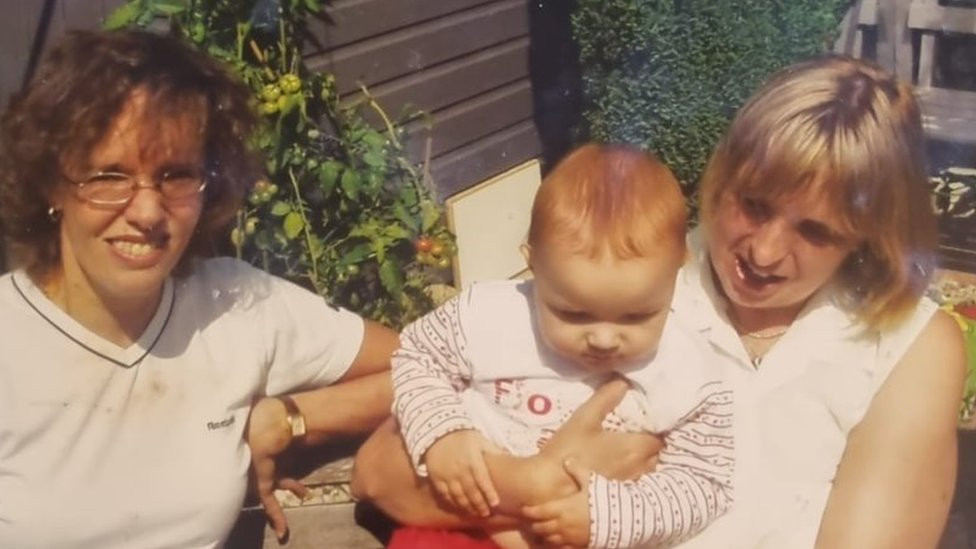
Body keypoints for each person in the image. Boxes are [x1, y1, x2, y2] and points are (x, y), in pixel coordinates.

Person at [352, 55, 966, 549]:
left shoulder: (903, 342)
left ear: (866, 232)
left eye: (815, 231)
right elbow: (380, 471)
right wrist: (533, 482)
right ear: (724, 171)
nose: (766, 251)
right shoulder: (635, 278)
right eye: (752, 203)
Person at [0, 29, 398, 548]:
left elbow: (426, 365)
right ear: (54, 184)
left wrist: (291, 418)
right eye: (110, 176)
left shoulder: (236, 306)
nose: (147, 212)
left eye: (176, 175)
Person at [391, 144, 734, 548]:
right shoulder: (491, 316)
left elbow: (706, 484)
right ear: (532, 263)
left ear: (679, 267)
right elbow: (417, 356)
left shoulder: (689, 372)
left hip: (588, 534)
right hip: (468, 521)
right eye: (574, 314)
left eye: (636, 316)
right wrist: (441, 433)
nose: (604, 339)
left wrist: (609, 516)